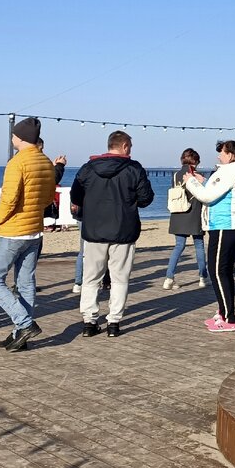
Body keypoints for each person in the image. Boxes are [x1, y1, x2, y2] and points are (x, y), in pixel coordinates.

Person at [69, 131, 154, 337]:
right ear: (124, 146)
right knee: (119, 278)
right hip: (123, 230)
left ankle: (89, 321)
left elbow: (75, 196)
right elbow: (146, 198)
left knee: (91, 278)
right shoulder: (134, 169)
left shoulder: (88, 168)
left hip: (94, 231)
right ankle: (114, 322)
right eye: (130, 147)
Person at [0, 117, 57, 352]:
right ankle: (20, 335)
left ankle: (24, 324)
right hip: (34, 230)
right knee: (25, 283)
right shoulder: (46, 162)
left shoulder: (17, 163)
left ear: (21, 138)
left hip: (13, 231)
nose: (11, 137)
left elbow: (9, 199)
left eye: (14, 135)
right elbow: (48, 198)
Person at [185, 140, 235, 332]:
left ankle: (230, 318)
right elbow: (217, 191)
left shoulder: (233, 171)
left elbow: (208, 197)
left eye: (221, 152)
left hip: (227, 225)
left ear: (231, 155)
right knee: (222, 271)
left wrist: (189, 182)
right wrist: (203, 182)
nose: (218, 156)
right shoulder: (232, 171)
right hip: (223, 225)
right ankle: (223, 312)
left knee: (217, 271)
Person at [163, 148, 207, 289]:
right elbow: (202, 194)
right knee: (199, 245)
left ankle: (169, 277)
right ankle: (202, 278)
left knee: (178, 246)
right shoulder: (196, 175)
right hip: (194, 213)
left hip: (178, 213)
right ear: (195, 161)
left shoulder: (176, 175)